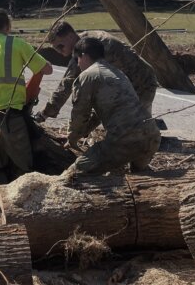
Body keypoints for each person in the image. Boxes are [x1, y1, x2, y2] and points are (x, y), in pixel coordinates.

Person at [0, 9, 53, 203]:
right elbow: (47, 69)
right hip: (12, 117)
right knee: (24, 169)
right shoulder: (17, 44)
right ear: (8, 26)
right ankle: (26, 212)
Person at [63, 37, 161, 179]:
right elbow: (99, 115)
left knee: (77, 172)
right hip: (151, 137)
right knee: (138, 177)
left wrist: (72, 137)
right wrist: (83, 132)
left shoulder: (87, 76)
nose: (78, 65)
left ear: (83, 56)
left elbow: (80, 114)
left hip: (125, 140)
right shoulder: (116, 72)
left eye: (77, 59)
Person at [34, 21, 158, 123]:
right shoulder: (85, 40)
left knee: (133, 128)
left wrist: (45, 113)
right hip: (135, 81)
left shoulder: (87, 48)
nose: (59, 51)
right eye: (55, 48)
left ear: (71, 36)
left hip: (142, 83)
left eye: (60, 46)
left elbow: (66, 85)